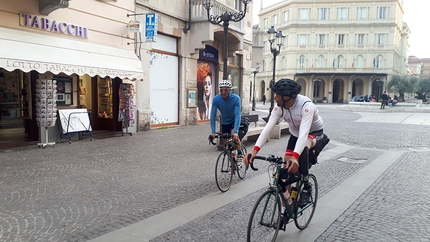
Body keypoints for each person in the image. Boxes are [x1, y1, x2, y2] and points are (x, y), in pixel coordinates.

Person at [244, 79, 327, 214]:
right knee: (285, 173)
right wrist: (254, 150)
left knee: (303, 147)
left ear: (286, 97)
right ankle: (285, 209)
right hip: (295, 135)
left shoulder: (306, 106)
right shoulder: (280, 107)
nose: (274, 97)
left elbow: (304, 134)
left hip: (313, 133)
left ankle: (306, 185)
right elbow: (267, 129)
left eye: (277, 95)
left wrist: (295, 157)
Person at [209, 80, 242, 154]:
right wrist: (213, 132)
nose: (223, 92)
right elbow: (212, 116)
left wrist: (236, 132)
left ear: (230, 90)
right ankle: (232, 160)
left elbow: (237, 115)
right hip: (225, 121)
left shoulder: (236, 98)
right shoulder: (216, 99)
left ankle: (240, 154)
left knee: (234, 137)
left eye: (226, 90)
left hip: (234, 120)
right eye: (221, 90)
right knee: (225, 142)